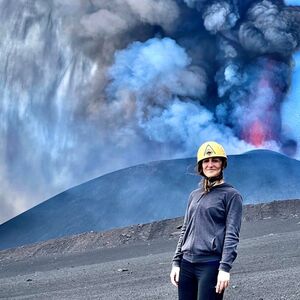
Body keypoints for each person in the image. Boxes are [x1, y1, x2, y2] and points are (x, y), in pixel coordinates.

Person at [170, 141, 243, 300]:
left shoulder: (231, 195)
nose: (210, 165)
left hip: (210, 266)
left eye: (215, 160)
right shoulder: (194, 195)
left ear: (222, 164)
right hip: (187, 265)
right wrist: (176, 263)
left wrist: (224, 269)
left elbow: (232, 234)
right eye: (206, 161)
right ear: (201, 166)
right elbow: (185, 230)